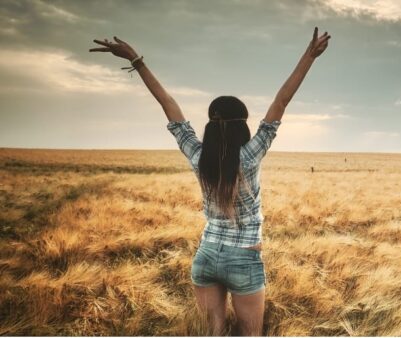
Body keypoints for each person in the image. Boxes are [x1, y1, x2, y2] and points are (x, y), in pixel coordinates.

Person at [89, 27, 330, 336]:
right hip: (244, 258)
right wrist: (310, 56)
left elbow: (169, 106)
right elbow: (281, 102)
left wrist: (136, 60)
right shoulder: (249, 156)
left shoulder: (198, 156)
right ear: (242, 126)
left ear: (211, 127)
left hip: (206, 256)